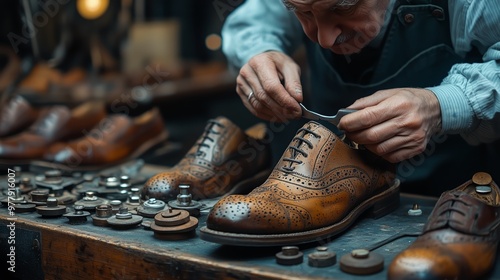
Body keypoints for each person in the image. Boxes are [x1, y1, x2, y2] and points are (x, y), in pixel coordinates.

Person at [221, 0, 500, 196]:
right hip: (329, 199)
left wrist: (443, 105)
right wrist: (259, 53)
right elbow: (254, 22)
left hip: (456, 198)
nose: (325, 39)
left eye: (343, 7)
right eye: (302, 12)